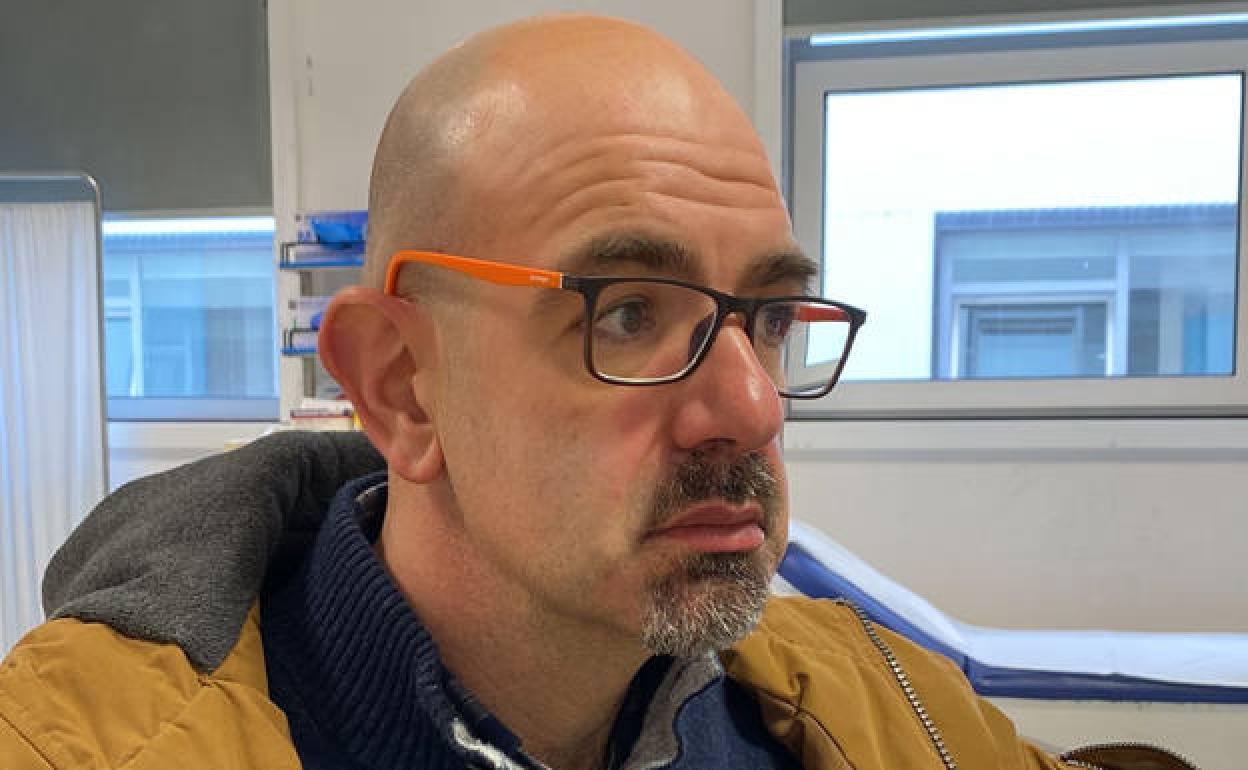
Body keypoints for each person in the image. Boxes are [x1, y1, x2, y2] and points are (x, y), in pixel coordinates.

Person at [0, 15, 1181, 770]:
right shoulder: (75, 744)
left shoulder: (873, 695)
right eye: (627, 312)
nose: (754, 408)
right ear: (403, 388)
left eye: (770, 319)